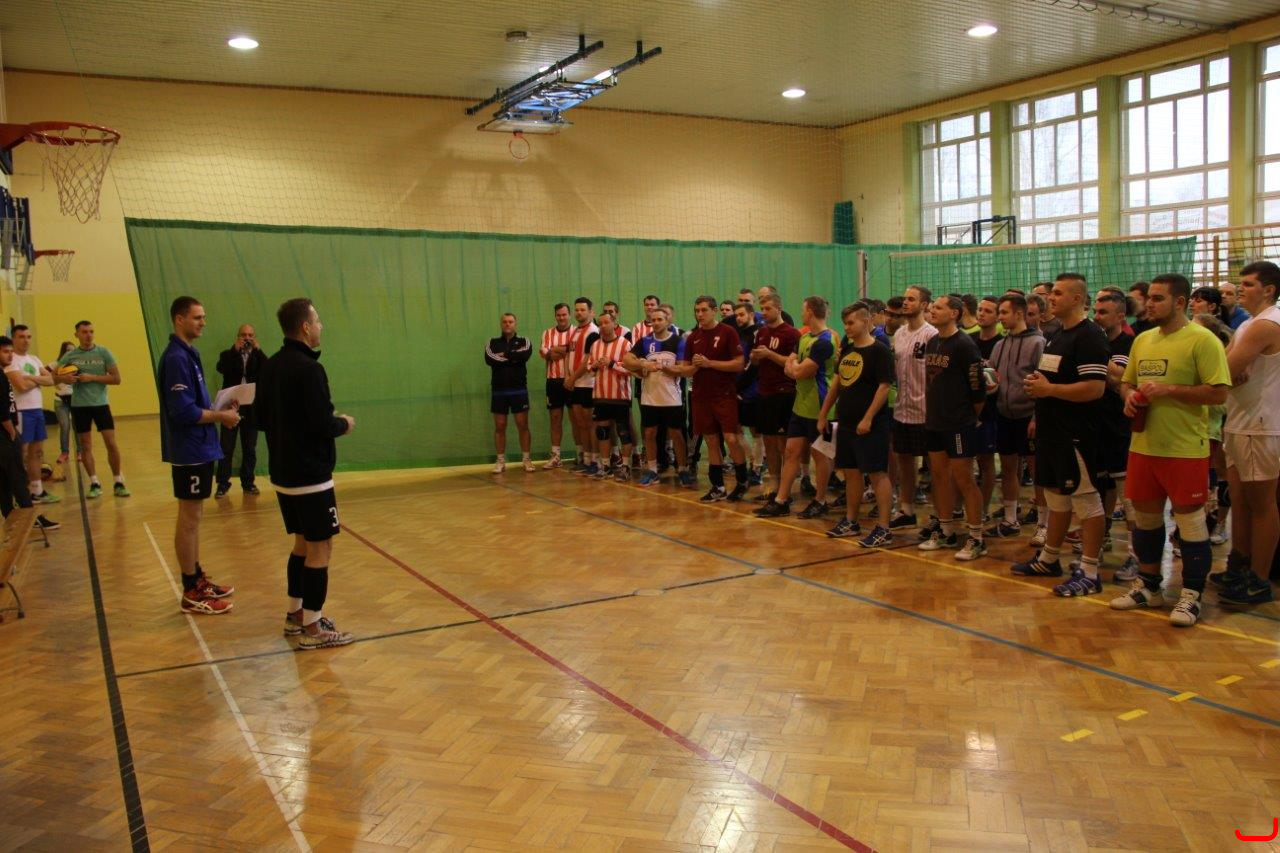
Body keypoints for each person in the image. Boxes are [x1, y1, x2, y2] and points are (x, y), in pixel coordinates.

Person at [1111, 273, 1231, 626]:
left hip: (1184, 449)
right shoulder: (1143, 339)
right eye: (1149, 297)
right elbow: (1127, 382)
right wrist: (1128, 396)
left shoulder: (1202, 340)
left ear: (1180, 302)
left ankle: (1191, 596)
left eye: (1158, 298)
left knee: (1190, 523)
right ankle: (1149, 587)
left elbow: (1218, 393)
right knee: (1146, 520)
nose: (1149, 304)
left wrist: (1169, 390)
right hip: (1144, 446)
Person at [257, 297, 356, 649]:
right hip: (310, 476)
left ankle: (295, 614)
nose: (320, 326)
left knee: (302, 544)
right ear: (304, 327)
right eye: (317, 321)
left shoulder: (270, 366)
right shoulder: (310, 369)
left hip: (283, 473)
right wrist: (343, 423)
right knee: (320, 548)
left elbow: (261, 419)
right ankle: (314, 628)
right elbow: (321, 424)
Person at [1010, 273, 1109, 597]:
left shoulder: (1090, 336)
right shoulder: (1056, 336)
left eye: (1058, 293)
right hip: (1051, 431)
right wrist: (1039, 400)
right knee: (1056, 496)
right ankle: (1049, 559)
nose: (1051, 298)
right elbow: (1049, 380)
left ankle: (1090, 572)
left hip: (1075, 434)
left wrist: (1049, 389)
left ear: (1078, 299)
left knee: (1086, 500)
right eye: (1051, 293)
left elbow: (1094, 389)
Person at [158, 297, 241, 615]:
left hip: (200, 447)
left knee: (194, 518)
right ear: (179, 319)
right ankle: (191, 590)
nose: (203, 322)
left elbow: (195, 405)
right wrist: (220, 417)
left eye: (204, 317)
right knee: (189, 518)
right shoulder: (176, 358)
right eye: (197, 317)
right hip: (189, 450)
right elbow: (182, 412)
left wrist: (221, 408)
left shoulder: (189, 354)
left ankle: (196, 578)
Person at [1219, 261, 1280, 605]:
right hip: (1239, 420)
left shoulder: (1267, 324)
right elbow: (1223, 367)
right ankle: (1239, 567)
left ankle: (1259, 579)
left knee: (1262, 505)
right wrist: (1227, 371)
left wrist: (1227, 371)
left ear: (1268, 290)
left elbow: (1221, 371)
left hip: (1260, 425)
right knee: (1239, 502)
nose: (1241, 288)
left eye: (1248, 284)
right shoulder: (1248, 325)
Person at [817, 302, 895, 547]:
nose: (847, 328)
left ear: (866, 321)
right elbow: (837, 384)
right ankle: (851, 521)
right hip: (847, 422)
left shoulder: (880, 350)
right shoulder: (848, 349)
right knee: (851, 472)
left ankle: (883, 528)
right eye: (845, 324)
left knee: (877, 474)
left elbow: (884, 387)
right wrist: (823, 414)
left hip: (871, 425)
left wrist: (868, 417)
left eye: (851, 323)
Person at [917, 295, 987, 559]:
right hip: (934, 421)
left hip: (958, 423)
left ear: (954, 313)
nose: (932, 310)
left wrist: (968, 416)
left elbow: (977, 388)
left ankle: (977, 538)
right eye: (932, 307)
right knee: (939, 476)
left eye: (938, 307)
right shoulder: (933, 341)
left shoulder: (964, 345)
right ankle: (946, 531)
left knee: (964, 479)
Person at [755, 296, 836, 517]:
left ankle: (820, 500)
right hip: (800, 406)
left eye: (803, 309)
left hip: (822, 408)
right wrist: (794, 366)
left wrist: (794, 366)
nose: (801, 313)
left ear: (810, 312)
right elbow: (789, 368)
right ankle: (781, 500)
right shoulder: (804, 337)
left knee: (821, 455)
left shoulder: (826, 341)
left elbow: (798, 371)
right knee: (791, 452)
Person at [672, 296, 749, 502]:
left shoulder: (727, 332)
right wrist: (684, 367)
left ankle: (742, 481)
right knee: (711, 440)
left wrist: (710, 363)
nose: (700, 314)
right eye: (697, 310)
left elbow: (739, 363)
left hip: (724, 395)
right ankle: (718, 486)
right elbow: (687, 370)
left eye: (704, 310)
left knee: (731, 439)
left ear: (714, 311)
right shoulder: (693, 337)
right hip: (701, 396)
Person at [986, 294, 1043, 538]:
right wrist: (987, 382)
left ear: (1019, 314)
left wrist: (1037, 417)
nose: (1000, 317)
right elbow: (993, 377)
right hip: (1004, 415)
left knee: (1038, 471)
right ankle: (1010, 520)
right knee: (1009, 468)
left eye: (1004, 313)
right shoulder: (1000, 345)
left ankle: (1043, 525)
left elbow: (1044, 382)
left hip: (1028, 416)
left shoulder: (1038, 343)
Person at [1091, 289, 1138, 580]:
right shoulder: (1093, 341)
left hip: (1120, 429)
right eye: (1095, 312)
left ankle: (1136, 555)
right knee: (1097, 492)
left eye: (1103, 313)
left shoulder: (1131, 344)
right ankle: (1097, 543)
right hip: (1095, 427)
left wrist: (1103, 365)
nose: (1097, 317)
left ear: (1121, 316)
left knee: (1128, 497)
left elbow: (1123, 379)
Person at [56, 320, 128, 499]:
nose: (88, 335)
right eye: (84, 332)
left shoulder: (103, 352)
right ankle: (94, 483)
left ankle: (118, 481)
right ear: (77, 335)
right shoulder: (71, 355)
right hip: (79, 406)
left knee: (111, 443)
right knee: (85, 445)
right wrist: (65, 379)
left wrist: (92, 377)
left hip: (101, 404)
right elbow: (54, 376)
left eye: (91, 331)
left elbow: (116, 379)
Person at [624, 306, 691, 487]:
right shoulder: (645, 341)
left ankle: (682, 469)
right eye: (653, 320)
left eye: (660, 319)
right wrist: (642, 363)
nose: (656, 323)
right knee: (649, 433)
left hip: (672, 397)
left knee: (676, 433)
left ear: (667, 321)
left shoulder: (678, 341)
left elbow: (683, 368)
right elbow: (627, 360)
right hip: (649, 397)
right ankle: (652, 470)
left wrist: (664, 367)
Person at [888, 285, 937, 529]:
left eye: (911, 299)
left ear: (924, 305)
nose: (905, 303)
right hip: (902, 410)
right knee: (905, 462)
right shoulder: (899, 334)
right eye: (905, 299)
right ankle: (906, 509)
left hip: (926, 411)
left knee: (936, 467)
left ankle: (940, 515)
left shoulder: (932, 335)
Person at [0, 338, 58, 531]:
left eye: (10, 351)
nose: (10, 355)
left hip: (8, 431)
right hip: (5, 434)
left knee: (5, 480)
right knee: (17, 477)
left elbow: (51, 380)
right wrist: (10, 430)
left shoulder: (3, 373)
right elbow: (2, 408)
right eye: (5, 351)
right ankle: (30, 518)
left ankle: (12, 518)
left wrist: (31, 378)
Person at [749, 294, 801, 502]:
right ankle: (774, 482)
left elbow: (792, 364)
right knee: (768, 439)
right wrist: (754, 357)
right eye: (762, 308)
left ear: (779, 309)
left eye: (768, 308)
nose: (764, 312)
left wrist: (769, 354)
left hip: (783, 392)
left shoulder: (791, 333)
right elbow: (755, 361)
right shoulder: (761, 332)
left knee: (783, 442)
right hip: (764, 391)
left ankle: (786, 489)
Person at [576, 313, 635, 481]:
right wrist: (594, 365)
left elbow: (631, 369)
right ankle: (605, 466)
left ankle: (625, 467)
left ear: (614, 323)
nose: (602, 326)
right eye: (600, 323)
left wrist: (612, 363)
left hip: (620, 396)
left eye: (606, 322)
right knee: (602, 432)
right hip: (600, 395)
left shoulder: (625, 344)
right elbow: (590, 369)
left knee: (623, 432)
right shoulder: (595, 345)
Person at [213, 323, 266, 497]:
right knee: (226, 447)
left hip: (251, 409)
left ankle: (248, 483)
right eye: (244, 335)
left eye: (250, 335)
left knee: (249, 448)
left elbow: (268, 370)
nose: (247, 338)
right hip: (231, 408)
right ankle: (222, 484)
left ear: (254, 338)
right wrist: (234, 350)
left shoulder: (257, 356)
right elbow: (221, 368)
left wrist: (258, 350)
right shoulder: (227, 354)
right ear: (238, 337)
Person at [484, 312, 534, 474]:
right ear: (501, 324)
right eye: (505, 322)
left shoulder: (524, 341)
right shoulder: (492, 343)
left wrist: (505, 355)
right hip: (499, 391)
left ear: (515, 324)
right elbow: (489, 359)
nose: (507, 324)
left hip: (519, 390)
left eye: (510, 321)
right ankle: (500, 461)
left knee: (522, 425)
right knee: (500, 426)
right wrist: (513, 357)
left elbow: (524, 355)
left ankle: (526, 459)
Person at [970, 296, 1002, 518]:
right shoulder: (969, 341)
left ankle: (983, 509)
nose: (981, 314)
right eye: (980, 309)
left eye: (988, 311)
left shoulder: (1001, 343)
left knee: (986, 461)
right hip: (967, 410)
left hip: (990, 411)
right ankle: (962, 506)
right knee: (964, 462)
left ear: (998, 317)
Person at [565, 298, 601, 474]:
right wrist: (567, 376)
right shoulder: (575, 331)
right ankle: (586, 459)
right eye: (577, 310)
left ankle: (595, 460)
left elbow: (587, 359)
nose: (579, 313)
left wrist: (573, 378)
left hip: (587, 383)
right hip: (575, 383)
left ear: (590, 312)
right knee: (580, 422)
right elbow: (568, 354)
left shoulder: (593, 331)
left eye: (582, 310)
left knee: (590, 423)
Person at [539, 303, 573, 468]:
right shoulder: (547, 333)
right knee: (555, 418)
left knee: (577, 419)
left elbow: (575, 351)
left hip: (572, 380)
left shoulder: (576, 332)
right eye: (558, 315)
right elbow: (547, 354)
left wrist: (556, 349)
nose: (561, 318)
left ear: (569, 315)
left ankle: (583, 454)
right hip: (553, 381)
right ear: (555, 316)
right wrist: (566, 349)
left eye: (564, 314)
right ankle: (556, 455)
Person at [733, 301, 764, 484]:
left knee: (756, 431)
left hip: (753, 390)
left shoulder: (758, 334)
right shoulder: (737, 334)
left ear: (751, 315)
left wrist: (740, 387)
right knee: (735, 428)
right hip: (738, 388)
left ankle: (757, 469)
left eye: (741, 314)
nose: (738, 318)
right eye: (736, 315)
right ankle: (752, 461)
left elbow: (754, 366)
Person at [52, 341, 74, 481]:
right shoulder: (56, 364)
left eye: (73, 350)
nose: (71, 352)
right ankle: (64, 452)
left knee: (78, 427)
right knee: (65, 426)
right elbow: (46, 374)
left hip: (75, 400)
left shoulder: (77, 365)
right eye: (68, 350)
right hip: (60, 400)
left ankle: (80, 452)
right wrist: (56, 380)